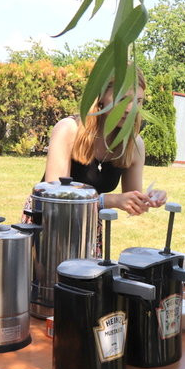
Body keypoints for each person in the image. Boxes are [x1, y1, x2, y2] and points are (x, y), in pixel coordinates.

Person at [35, 72, 167, 253]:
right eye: (122, 99)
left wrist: (148, 199)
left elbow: (131, 199)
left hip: (88, 230)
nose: (130, 109)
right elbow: (55, 198)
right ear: (100, 97)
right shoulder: (68, 130)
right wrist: (109, 200)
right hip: (48, 226)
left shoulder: (133, 144)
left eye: (138, 101)